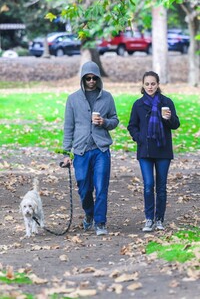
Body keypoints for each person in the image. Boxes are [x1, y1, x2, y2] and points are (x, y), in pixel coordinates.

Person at [63, 61, 119, 236]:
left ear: (99, 79)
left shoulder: (107, 97)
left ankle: (100, 222)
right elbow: (68, 127)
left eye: (94, 78)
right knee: (84, 187)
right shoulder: (73, 99)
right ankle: (89, 213)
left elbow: (115, 120)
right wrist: (66, 152)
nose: (91, 81)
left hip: (101, 149)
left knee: (101, 186)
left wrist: (105, 122)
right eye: (88, 78)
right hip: (80, 150)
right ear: (82, 79)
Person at [127, 71, 180, 232]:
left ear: (158, 85)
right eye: (147, 84)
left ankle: (159, 219)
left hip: (163, 150)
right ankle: (149, 218)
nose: (150, 87)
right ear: (143, 85)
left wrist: (169, 118)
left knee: (161, 186)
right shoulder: (138, 104)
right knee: (148, 185)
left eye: (153, 84)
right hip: (145, 150)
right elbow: (132, 125)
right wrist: (139, 138)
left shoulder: (166, 102)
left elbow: (176, 124)